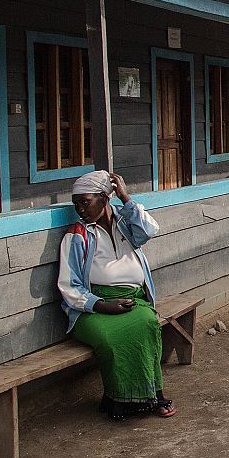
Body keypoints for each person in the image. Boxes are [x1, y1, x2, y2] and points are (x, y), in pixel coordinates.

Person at [58, 170, 176, 421]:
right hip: (91, 308)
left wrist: (125, 197)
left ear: (104, 198)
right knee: (109, 338)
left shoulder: (126, 224)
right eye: (76, 203)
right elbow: (69, 286)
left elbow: (151, 229)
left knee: (146, 324)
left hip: (134, 299)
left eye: (85, 201)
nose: (80, 208)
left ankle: (154, 395)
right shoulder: (77, 235)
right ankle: (119, 399)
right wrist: (102, 305)